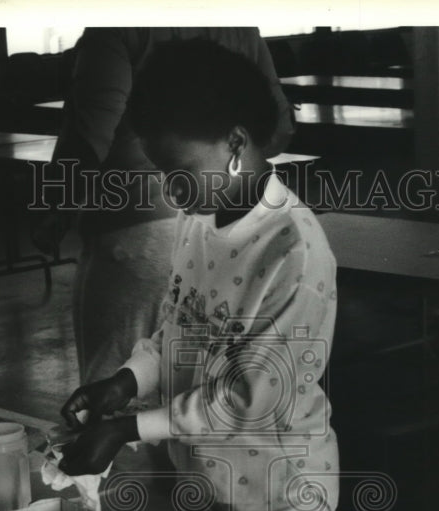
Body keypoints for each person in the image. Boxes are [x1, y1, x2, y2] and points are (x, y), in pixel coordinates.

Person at [56, 38, 339, 511]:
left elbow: (251, 401)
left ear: (235, 142)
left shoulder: (290, 252)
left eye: (180, 173)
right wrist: (125, 380)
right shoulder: (199, 218)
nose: (171, 193)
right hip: (203, 491)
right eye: (164, 174)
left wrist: (129, 428)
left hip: (279, 505)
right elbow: (179, 327)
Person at [33, 28, 294, 387]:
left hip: (138, 236)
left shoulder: (116, 26)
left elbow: (92, 129)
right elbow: (279, 131)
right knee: (194, 387)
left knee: (113, 391)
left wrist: (55, 206)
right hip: (226, 230)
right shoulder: (239, 22)